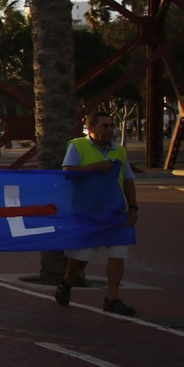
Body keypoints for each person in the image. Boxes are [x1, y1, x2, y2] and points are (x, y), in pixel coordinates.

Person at [58, 110, 140, 315]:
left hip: (114, 212)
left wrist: (133, 207)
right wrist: (96, 167)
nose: (110, 129)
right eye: (105, 125)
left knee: (118, 252)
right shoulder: (78, 146)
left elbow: (128, 180)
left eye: (112, 125)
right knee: (82, 256)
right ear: (92, 128)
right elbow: (66, 173)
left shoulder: (119, 151)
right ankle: (67, 281)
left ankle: (112, 299)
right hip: (87, 212)